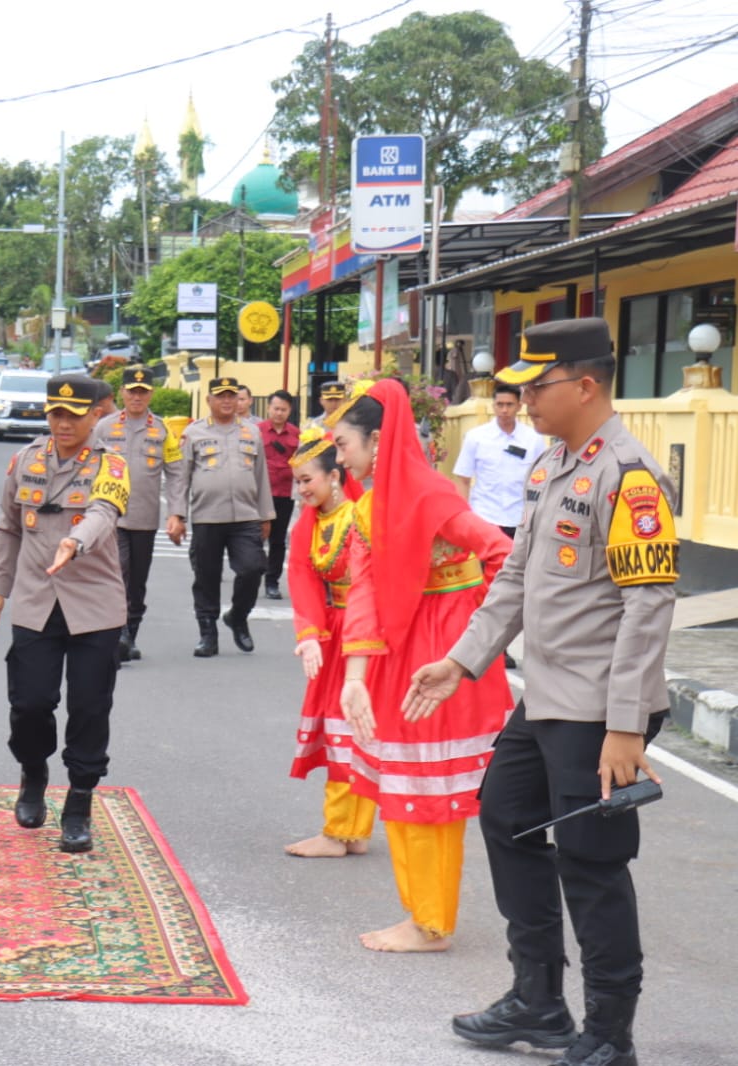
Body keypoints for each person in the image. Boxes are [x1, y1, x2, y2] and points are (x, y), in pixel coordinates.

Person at [408, 319, 676, 1065]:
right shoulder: (552, 464)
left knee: (590, 862)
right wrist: (461, 660)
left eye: (535, 385)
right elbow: (517, 578)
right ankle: (537, 1000)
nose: (521, 399)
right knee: (505, 818)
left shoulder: (628, 477)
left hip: (597, 710)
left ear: (584, 385)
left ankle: (609, 1034)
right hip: (547, 696)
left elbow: (646, 606)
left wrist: (626, 727)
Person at [331, 378, 513, 952]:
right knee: (405, 782)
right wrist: (354, 679)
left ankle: (432, 921)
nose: (339, 458)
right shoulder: (368, 508)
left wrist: (472, 633)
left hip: (441, 656)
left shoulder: (432, 496)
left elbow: (503, 556)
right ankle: (420, 914)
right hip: (398, 652)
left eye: (343, 445)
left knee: (429, 791)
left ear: (378, 442)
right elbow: (361, 590)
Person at [0, 374, 129, 852]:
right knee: (29, 704)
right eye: (55, 413)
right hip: (33, 602)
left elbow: (104, 513)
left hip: (94, 607)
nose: (63, 422)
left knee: (89, 708)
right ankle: (33, 772)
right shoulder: (25, 461)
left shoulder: (112, 464)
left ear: (95, 415)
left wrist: (74, 541)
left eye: (74, 413)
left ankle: (79, 801)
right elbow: (8, 529)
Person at [283, 431, 375, 858]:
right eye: (298, 482)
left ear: (334, 476)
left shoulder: (361, 516)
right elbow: (301, 576)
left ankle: (340, 832)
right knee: (346, 728)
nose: (301, 490)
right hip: (335, 629)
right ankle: (349, 830)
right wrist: (310, 635)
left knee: (350, 727)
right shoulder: (312, 523)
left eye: (307, 481)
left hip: (363, 631)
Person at [172, 376, 274, 657]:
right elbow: (182, 478)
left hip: (245, 516)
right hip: (207, 517)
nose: (227, 401)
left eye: (231, 395)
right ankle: (208, 633)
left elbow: (261, 475)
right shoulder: (194, 433)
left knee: (253, 568)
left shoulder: (251, 432)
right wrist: (177, 515)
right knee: (206, 577)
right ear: (209, 400)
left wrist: (266, 515)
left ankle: (238, 616)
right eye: (221, 396)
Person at [93, 363, 184, 662]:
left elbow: (175, 471)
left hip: (145, 517)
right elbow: (87, 466)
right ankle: (116, 631)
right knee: (119, 570)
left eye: (143, 392)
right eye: (132, 392)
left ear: (151, 394)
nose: (137, 397)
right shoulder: (104, 428)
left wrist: (176, 513)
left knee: (138, 580)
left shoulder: (161, 429)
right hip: (109, 515)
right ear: (122, 392)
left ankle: (131, 632)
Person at [453, 382, 544, 539]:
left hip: (520, 519)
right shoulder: (476, 437)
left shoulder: (533, 439)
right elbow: (463, 480)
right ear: (493, 406)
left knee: (515, 563)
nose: (504, 410)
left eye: (509, 405)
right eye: (500, 404)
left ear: (519, 406)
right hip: (484, 517)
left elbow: (542, 480)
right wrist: (463, 517)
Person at [259, 389, 301, 600]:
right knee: (254, 538)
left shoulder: (296, 435)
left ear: (289, 410)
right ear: (268, 408)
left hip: (284, 494)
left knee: (277, 540)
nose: (279, 413)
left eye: (283, 409)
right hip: (258, 494)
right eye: (276, 408)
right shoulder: (256, 431)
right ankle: (251, 577)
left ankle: (272, 582)